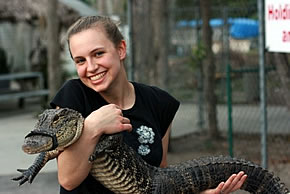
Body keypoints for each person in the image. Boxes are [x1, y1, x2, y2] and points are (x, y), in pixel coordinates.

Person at [50, 15, 247, 194]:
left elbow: (160, 181)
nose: (91, 67)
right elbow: (68, 179)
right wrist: (94, 126)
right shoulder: (73, 97)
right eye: (80, 60)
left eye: (99, 53)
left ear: (121, 49)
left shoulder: (159, 102)